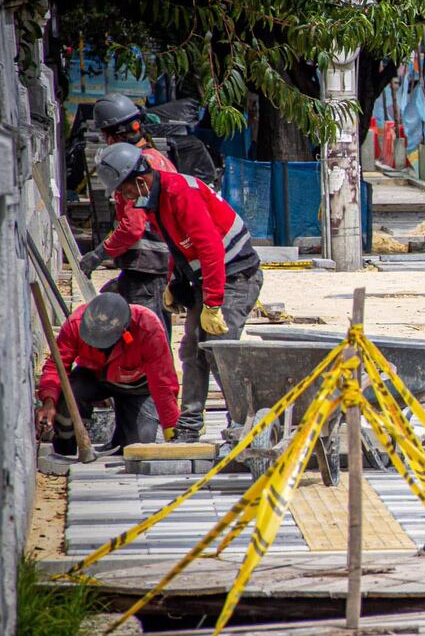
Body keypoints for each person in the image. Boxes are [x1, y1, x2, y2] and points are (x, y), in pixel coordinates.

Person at [96, 142, 262, 442]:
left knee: (219, 350)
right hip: (208, 279)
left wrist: (213, 304)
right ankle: (189, 424)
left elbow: (210, 248)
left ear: (139, 179)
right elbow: (178, 244)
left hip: (236, 276)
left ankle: (242, 423)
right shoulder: (155, 200)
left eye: (125, 190)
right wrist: (174, 281)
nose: (125, 197)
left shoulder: (180, 193)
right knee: (193, 349)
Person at [79, 95, 179, 334]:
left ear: (112, 136)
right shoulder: (157, 158)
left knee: (148, 334)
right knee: (156, 329)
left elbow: (133, 226)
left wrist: (98, 254)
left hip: (147, 267)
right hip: (162, 263)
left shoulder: (132, 169)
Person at [34, 293, 179, 455]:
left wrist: (171, 432)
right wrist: (49, 402)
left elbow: (163, 383)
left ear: (124, 332)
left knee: (138, 447)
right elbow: (56, 366)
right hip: (94, 377)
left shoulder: (147, 326)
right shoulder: (76, 323)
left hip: (136, 386)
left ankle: (123, 438)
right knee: (69, 398)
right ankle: (65, 451)